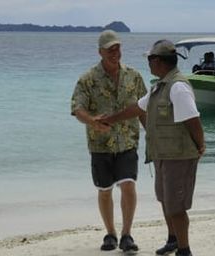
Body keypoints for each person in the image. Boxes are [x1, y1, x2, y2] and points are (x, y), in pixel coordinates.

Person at [100, 39, 205, 256]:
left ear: (157, 61)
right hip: (162, 155)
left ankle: (184, 251)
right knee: (165, 200)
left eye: (150, 60)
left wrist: (200, 146)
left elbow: (194, 121)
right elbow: (137, 108)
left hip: (178, 156)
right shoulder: (160, 86)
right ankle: (173, 239)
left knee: (176, 206)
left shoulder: (178, 87)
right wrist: (110, 119)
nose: (148, 64)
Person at [70, 30, 147, 253]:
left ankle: (127, 235)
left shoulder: (133, 75)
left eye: (118, 48)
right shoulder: (88, 79)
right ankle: (110, 233)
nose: (115, 53)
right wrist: (92, 121)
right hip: (100, 143)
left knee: (128, 185)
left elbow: (142, 107)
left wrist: (151, 133)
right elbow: (77, 108)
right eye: (110, 49)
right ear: (100, 52)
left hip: (128, 141)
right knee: (104, 190)